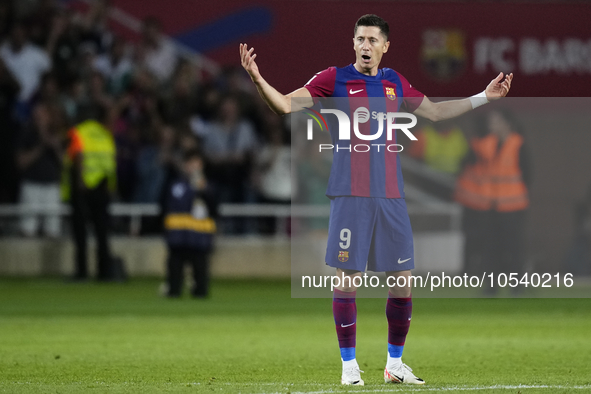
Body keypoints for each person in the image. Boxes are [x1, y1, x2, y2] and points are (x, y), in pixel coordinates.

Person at [240, 14, 513, 386]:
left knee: (402, 280)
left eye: (372, 40)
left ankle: (394, 364)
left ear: (386, 46)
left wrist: (484, 97)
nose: (365, 46)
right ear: (353, 43)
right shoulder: (332, 79)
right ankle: (349, 365)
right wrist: (258, 79)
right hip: (351, 193)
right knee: (347, 277)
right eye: (360, 39)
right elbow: (285, 106)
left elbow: (433, 111)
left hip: (391, 195)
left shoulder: (394, 82)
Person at [454, 109, 530, 292]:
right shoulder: (486, 144)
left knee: (513, 249)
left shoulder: (518, 144)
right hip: (490, 206)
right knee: (490, 248)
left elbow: (528, 175)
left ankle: (517, 287)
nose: (491, 126)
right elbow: (469, 162)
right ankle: (491, 287)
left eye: (496, 122)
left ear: (507, 124)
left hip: (513, 207)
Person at [63, 105, 121, 281]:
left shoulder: (80, 132)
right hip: (97, 187)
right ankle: (103, 272)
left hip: (86, 186)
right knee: (101, 232)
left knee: (82, 233)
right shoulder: (104, 134)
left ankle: (82, 272)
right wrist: (111, 186)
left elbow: (80, 155)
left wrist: (81, 180)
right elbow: (108, 161)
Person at [162, 149, 217, 298]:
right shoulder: (175, 184)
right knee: (174, 276)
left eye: (197, 163)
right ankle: (173, 291)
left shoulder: (207, 186)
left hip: (200, 237)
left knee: (201, 278)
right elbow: (165, 208)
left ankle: (199, 294)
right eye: (191, 163)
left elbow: (214, 209)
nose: (194, 167)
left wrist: (202, 190)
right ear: (185, 165)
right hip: (177, 236)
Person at [16, 101, 63, 237]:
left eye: (41, 116)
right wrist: (40, 147)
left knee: (52, 231)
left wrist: (54, 146)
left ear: (48, 117)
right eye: (36, 116)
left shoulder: (57, 135)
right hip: (31, 185)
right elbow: (21, 162)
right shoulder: (26, 133)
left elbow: (64, 162)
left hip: (51, 186)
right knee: (27, 230)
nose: (39, 119)